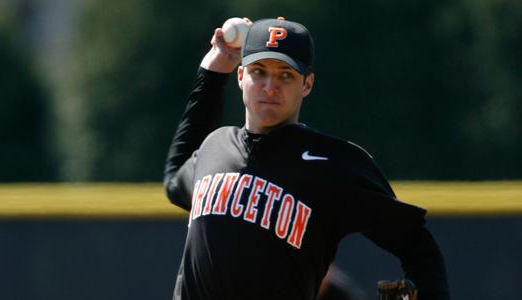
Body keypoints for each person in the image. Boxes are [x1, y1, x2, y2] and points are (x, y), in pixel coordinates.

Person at [164, 17, 450, 300]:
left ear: (307, 84)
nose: (269, 86)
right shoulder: (216, 145)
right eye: (258, 71)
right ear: (240, 77)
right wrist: (212, 73)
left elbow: (417, 243)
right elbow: (176, 179)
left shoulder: (332, 163)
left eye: (285, 74)